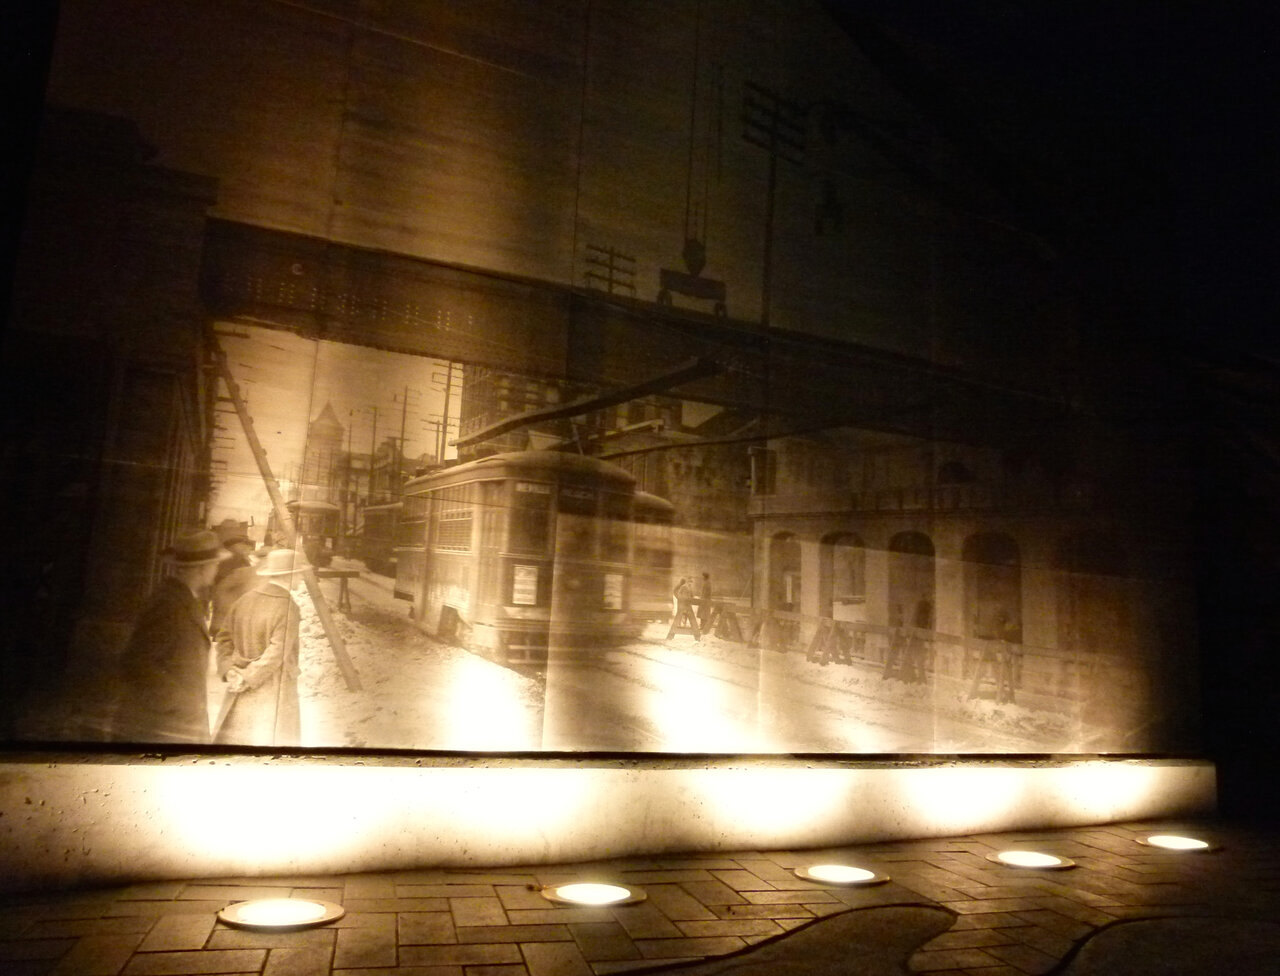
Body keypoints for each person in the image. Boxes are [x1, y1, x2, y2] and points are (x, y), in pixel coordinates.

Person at [111, 529, 223, 743]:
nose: (217, 568)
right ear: (202, 568)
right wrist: (183, 704)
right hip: (158, 728)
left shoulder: (185, 598)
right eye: (215, 563)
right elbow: (135, 663)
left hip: (175, 725)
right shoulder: (168, 604)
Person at [214, 547, 311, 746]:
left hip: (238, 686)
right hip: (274, 689)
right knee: (273, 745)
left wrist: (229, 670)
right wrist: (249, 678)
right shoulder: (288, 607)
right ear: (288, 575)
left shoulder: (245, 599)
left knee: (237, 744)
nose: (302, 578)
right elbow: (277, 653)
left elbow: (223, 639)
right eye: (299, 573)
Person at [210, 518, 257, 637]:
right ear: (238, 545)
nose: (249, 549)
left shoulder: (230, 558)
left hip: (225, 618)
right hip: (228, 620)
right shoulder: (236, 560)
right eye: (246, 546)